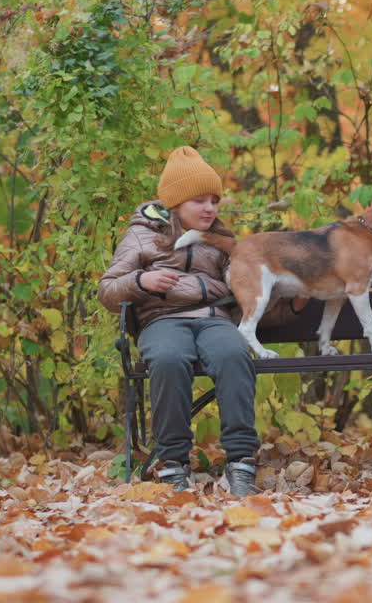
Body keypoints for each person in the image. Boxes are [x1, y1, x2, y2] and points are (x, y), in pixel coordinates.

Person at [98, 146, 300, 495]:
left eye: (214, 200)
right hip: (161, 320)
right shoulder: (141, 235)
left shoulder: (224, 242)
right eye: (199, 201)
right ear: (175, 203)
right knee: (168, 359)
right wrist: (140, 282)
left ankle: (240, 462)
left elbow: (246, 296)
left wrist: (292, 304)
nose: (210, 208)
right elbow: (107, 290)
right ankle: (173, 463)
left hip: (214, 320)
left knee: (232, 354)